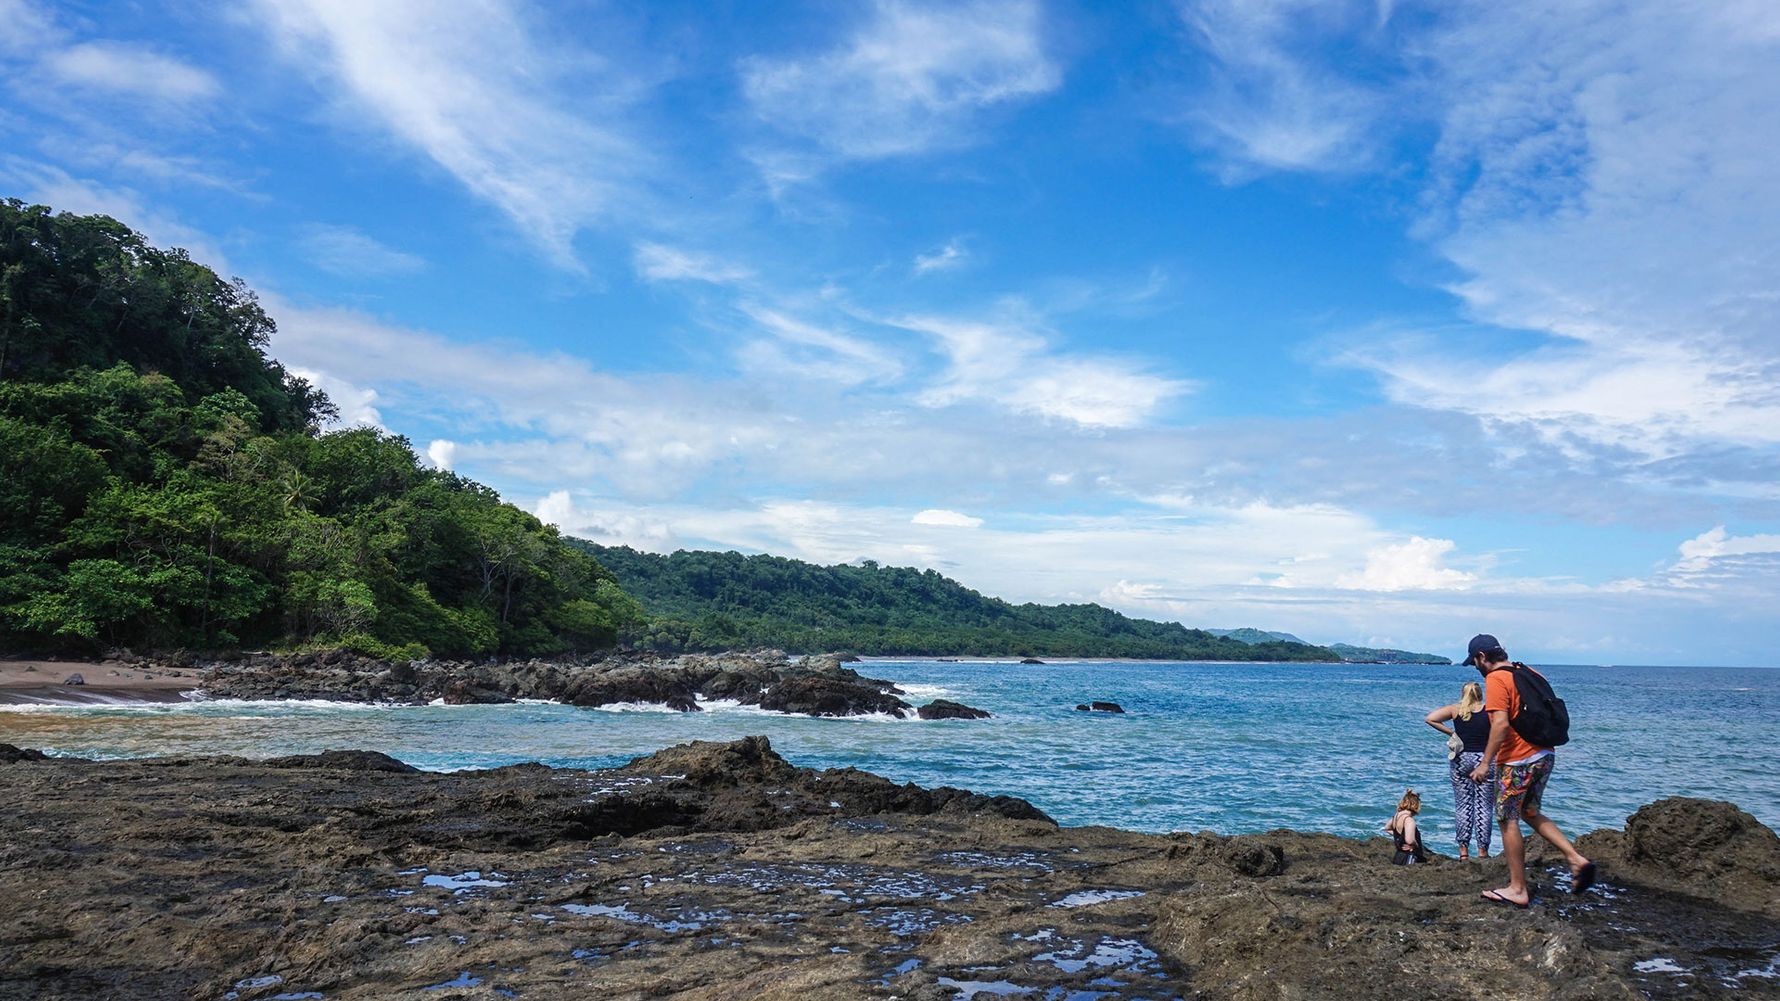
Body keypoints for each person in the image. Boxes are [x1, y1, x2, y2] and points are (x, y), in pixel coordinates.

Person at [1462, 633, 1596, 906]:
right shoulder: (1528, 671)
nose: (1476, 666)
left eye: (1475, 661)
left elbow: (1500, 725)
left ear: (1482, 657)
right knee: (1529, 811)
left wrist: (1485, 763)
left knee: (1507, 819)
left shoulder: (1496, 679)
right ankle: (1575, 859)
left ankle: (1518, 888)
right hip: (1545, 753)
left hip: (1517, 760)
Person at [1425, 682, 1492, 859]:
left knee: (1463, 805)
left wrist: (1452, 733)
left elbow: (1430, 718)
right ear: (1480, 694)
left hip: (1461, 759)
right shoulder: (1489, 711)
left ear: (1463, 694)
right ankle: (1482, 851)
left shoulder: (1456, 709)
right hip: (1483, 760)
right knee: (1483, 807)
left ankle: (1463, 851)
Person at [1384, 789, 1429, 865]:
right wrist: (1415, 845)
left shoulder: (1396, 816)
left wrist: (1401, 837)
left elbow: (1387, 828)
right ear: (1415, 805)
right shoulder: (1409, 820)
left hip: (1399, 855)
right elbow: (1410, 840)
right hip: (1409, 857)